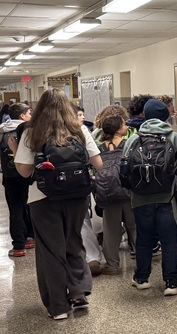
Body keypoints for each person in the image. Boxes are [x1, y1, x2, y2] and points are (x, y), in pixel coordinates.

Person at [14, 88, 104, 319]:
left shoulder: (31, 133)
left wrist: (18, 153)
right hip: (77, 195)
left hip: (43, 198)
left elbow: (24, 172)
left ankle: (58, 307)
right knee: (74, 241)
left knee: (51, 250)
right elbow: (99, 163)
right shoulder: (80, 129)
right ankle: (79, 292)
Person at [124, 98, 177, 295]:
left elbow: (125, 169)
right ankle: (171, 282)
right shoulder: (176, 138)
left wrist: (132, 192)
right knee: (169, 240)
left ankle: (142, 278)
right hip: (168, 199)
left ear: (145, 115)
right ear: (166, 116)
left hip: (140, 198)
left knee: (143, 238)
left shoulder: (134, 139)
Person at [96, 111, 137, 275]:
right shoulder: (129, 144)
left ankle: (112, 264)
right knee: (134, 226)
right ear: (118, 129)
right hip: (128, 190)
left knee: (110, 228)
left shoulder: (100, 148)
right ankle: (141, 259)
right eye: (124, 124)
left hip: (108, 191)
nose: (126, 126)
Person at [2, 102, 33, 257]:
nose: (31, 116)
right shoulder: (28, 130)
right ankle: (30, 238)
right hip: (28, 173)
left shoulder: (2, 131)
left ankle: (18, 246)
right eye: (29, 113)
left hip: (10, 175)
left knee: (16, 208)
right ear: (22, 115)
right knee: (30, 205)